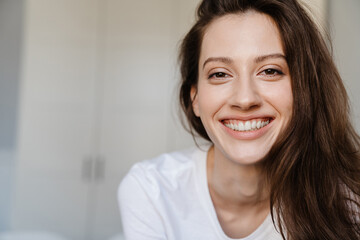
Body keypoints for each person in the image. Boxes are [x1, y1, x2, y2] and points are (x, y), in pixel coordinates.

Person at [118, 0, 360, 239]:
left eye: (270, 71)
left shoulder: (347, 203)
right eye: (220, 74)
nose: (245, 99)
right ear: (196, 99)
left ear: (304, 89)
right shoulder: (152, 191)